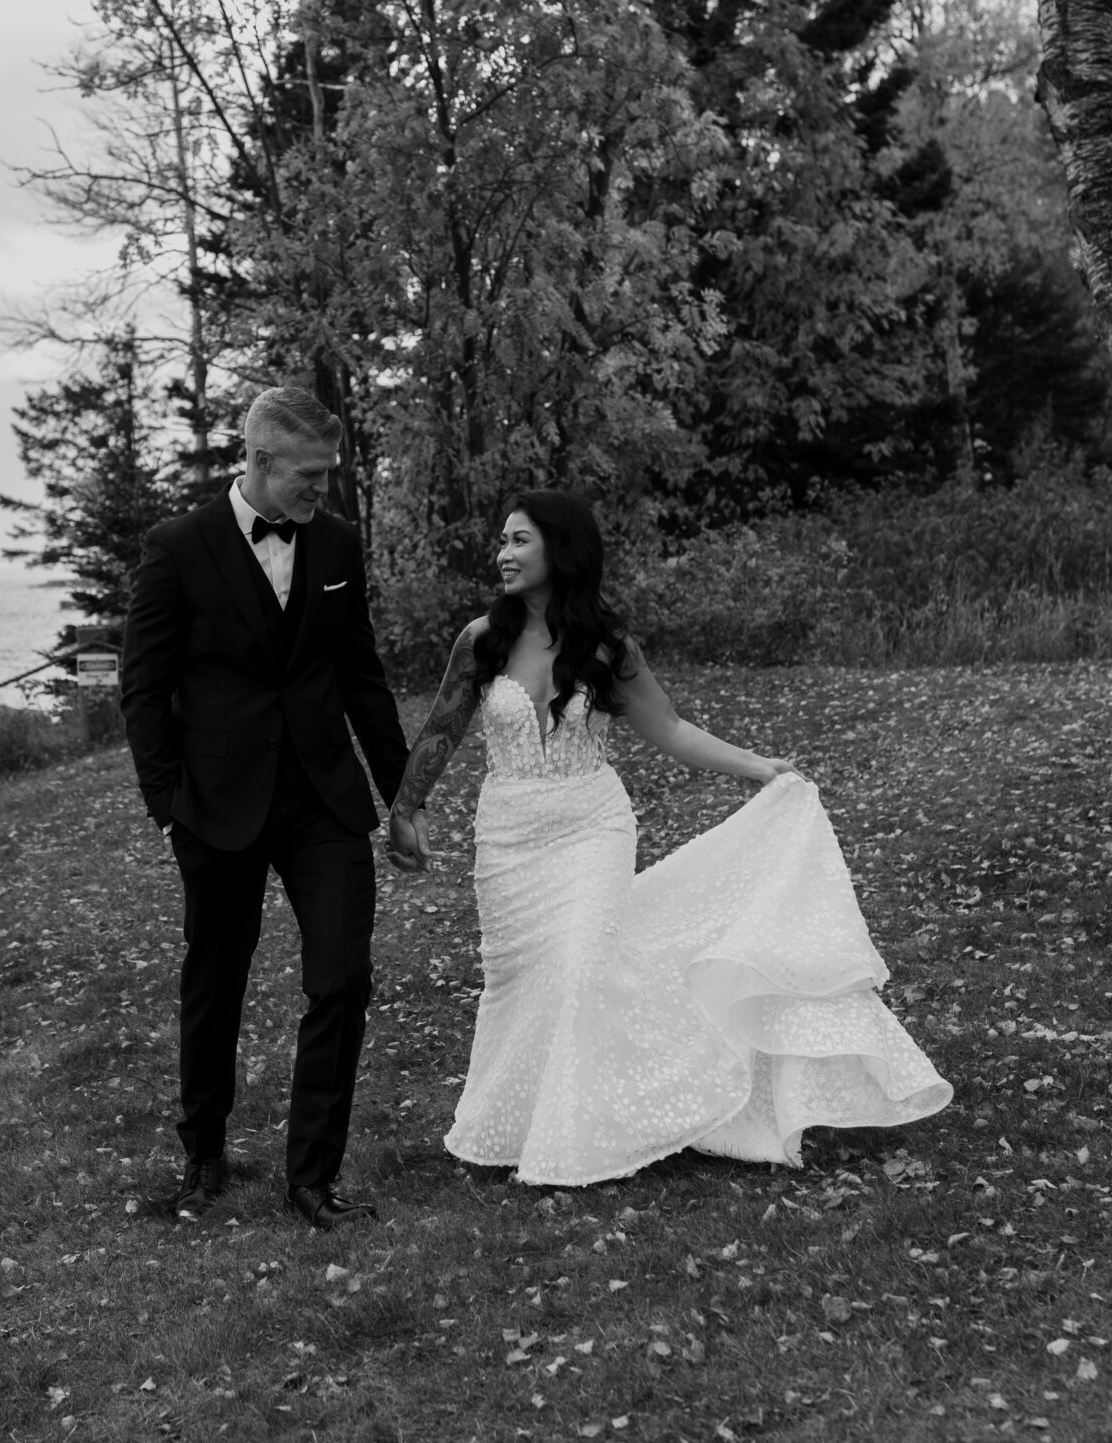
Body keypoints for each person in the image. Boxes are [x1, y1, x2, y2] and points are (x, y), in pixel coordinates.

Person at [387, 491, 950, 1186]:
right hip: (507, 839)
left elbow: (672, 728)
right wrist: (405, 808)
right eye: (501, 540)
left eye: (519, 540)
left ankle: (583, 1135)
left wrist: (759, 766)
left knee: (580, 964)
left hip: (591, 826)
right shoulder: (480, 640)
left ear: (559, 548)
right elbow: (440, 730)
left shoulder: (606, 645)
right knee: (519, 980)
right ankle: (527, 1122)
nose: (502, 553)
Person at [120, 388, 411, 1229]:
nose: (321, 491)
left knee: (344, 976)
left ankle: (313, 1177)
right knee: (216, 981)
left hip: (323, 798)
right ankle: (203, 1155)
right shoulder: (177, 548)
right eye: (309, 476)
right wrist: (165, 802)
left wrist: (404, 796)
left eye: (329, 474)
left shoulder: (340, 545)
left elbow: (361, 675)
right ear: (258, 461)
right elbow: (143, 685)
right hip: (215, 804)